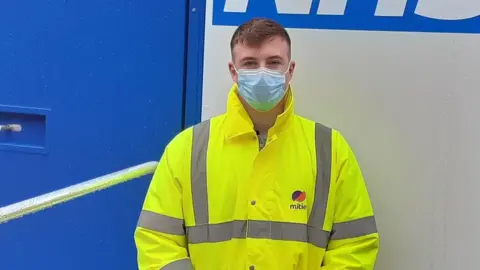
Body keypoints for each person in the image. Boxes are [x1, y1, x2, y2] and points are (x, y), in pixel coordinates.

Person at [134, 18, 379, 270]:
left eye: (273, 63)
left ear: (290, 70)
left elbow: (355, 246)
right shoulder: (187, 148)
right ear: (233, 71)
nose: (262, 73)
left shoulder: (330, 149)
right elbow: (157, 241)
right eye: (250, 64)